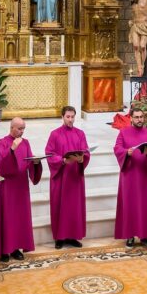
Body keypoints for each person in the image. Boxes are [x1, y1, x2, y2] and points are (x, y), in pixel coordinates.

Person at [0, 116, 42, 262]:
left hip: (21, 186)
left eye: (23, 129)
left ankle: (16, 248)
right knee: (7, 217)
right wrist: (12, 148)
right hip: (7, 186)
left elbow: (29, 160)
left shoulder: (26, 143)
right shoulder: (2, 142)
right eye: (19, 128)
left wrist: (36, 162)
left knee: (19, 217)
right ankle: (4, 250)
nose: (22, 131)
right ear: (12, 127)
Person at [114, 107, 147, 247]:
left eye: (141, 117)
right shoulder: (123, 132)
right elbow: (117, 148)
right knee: (130, 205)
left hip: (146, 175)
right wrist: (126, 152)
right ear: (131, 118)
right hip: (130, 175)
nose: (139, 119)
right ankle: (130, 236)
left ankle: (145, 236)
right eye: (136, 117)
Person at [46, 106, 90, 249]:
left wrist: (82, 158)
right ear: (62, 117)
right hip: (61, 177)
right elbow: (49, 153)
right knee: (59, 206)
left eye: (72, 117)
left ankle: (73, 236)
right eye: (68, 117)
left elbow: (86, 151)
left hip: (75, 177)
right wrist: (62, 160)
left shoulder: (80, 134)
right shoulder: (54, 134)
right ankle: (59, 238)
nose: (70, 120)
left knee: (74, 208)